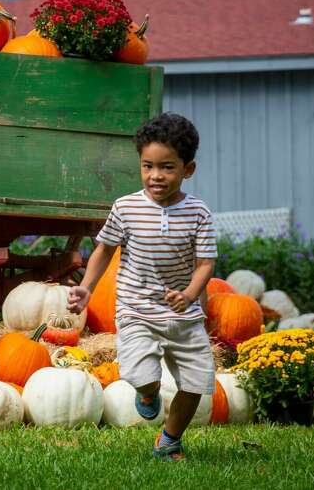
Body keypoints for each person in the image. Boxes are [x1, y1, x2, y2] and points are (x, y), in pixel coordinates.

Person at [67, 112, 217, 461]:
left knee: (197, 384)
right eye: (147, 166)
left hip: (184, 314)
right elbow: (104, 250)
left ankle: (169, 440)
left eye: (167, 167)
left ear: (188, 169)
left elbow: (206, 263)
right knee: (139, 373)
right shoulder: (126, 207)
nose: (156, 176)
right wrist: (87, 288)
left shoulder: (199, 213)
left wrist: (191, 295)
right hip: (136, 309)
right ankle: (148, 393)